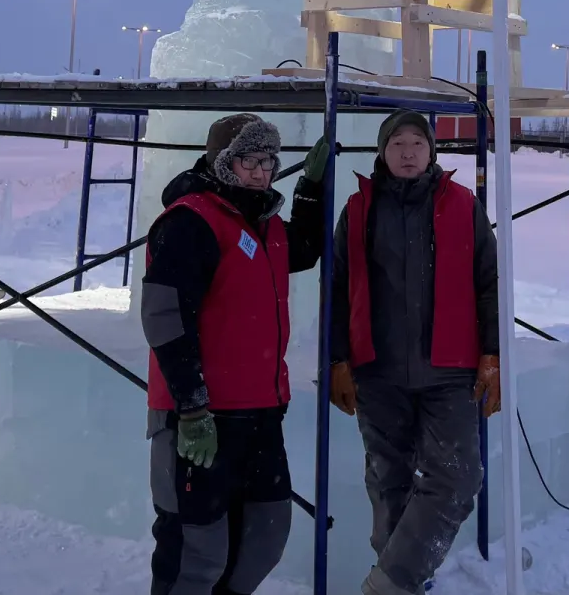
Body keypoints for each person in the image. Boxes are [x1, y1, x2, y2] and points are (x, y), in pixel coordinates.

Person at [141, 113, 325, 595]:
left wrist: (311, 187)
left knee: (262, 540)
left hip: (259, 414)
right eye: (249, 160)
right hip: (199, 419)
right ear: (223, 163)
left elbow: (304, 248)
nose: (262, 172)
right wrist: (192, 404)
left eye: (269, 161)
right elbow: (163, 317)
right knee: (196, 555)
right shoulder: (190, 221)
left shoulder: (263, 225)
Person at [327, 110, 500, 595]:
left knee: (457, 479)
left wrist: (492, 354)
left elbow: (489, 283)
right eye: (397, 144)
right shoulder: (359, 209)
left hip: (449, 370)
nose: (407, 153)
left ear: (432, 153)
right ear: (382, 152)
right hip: (377, 370)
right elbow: (337, 288)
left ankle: (389, 582)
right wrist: (337, 358)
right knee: (388, 482)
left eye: (417, 144)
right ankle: (403, 583)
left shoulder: (463, 205)